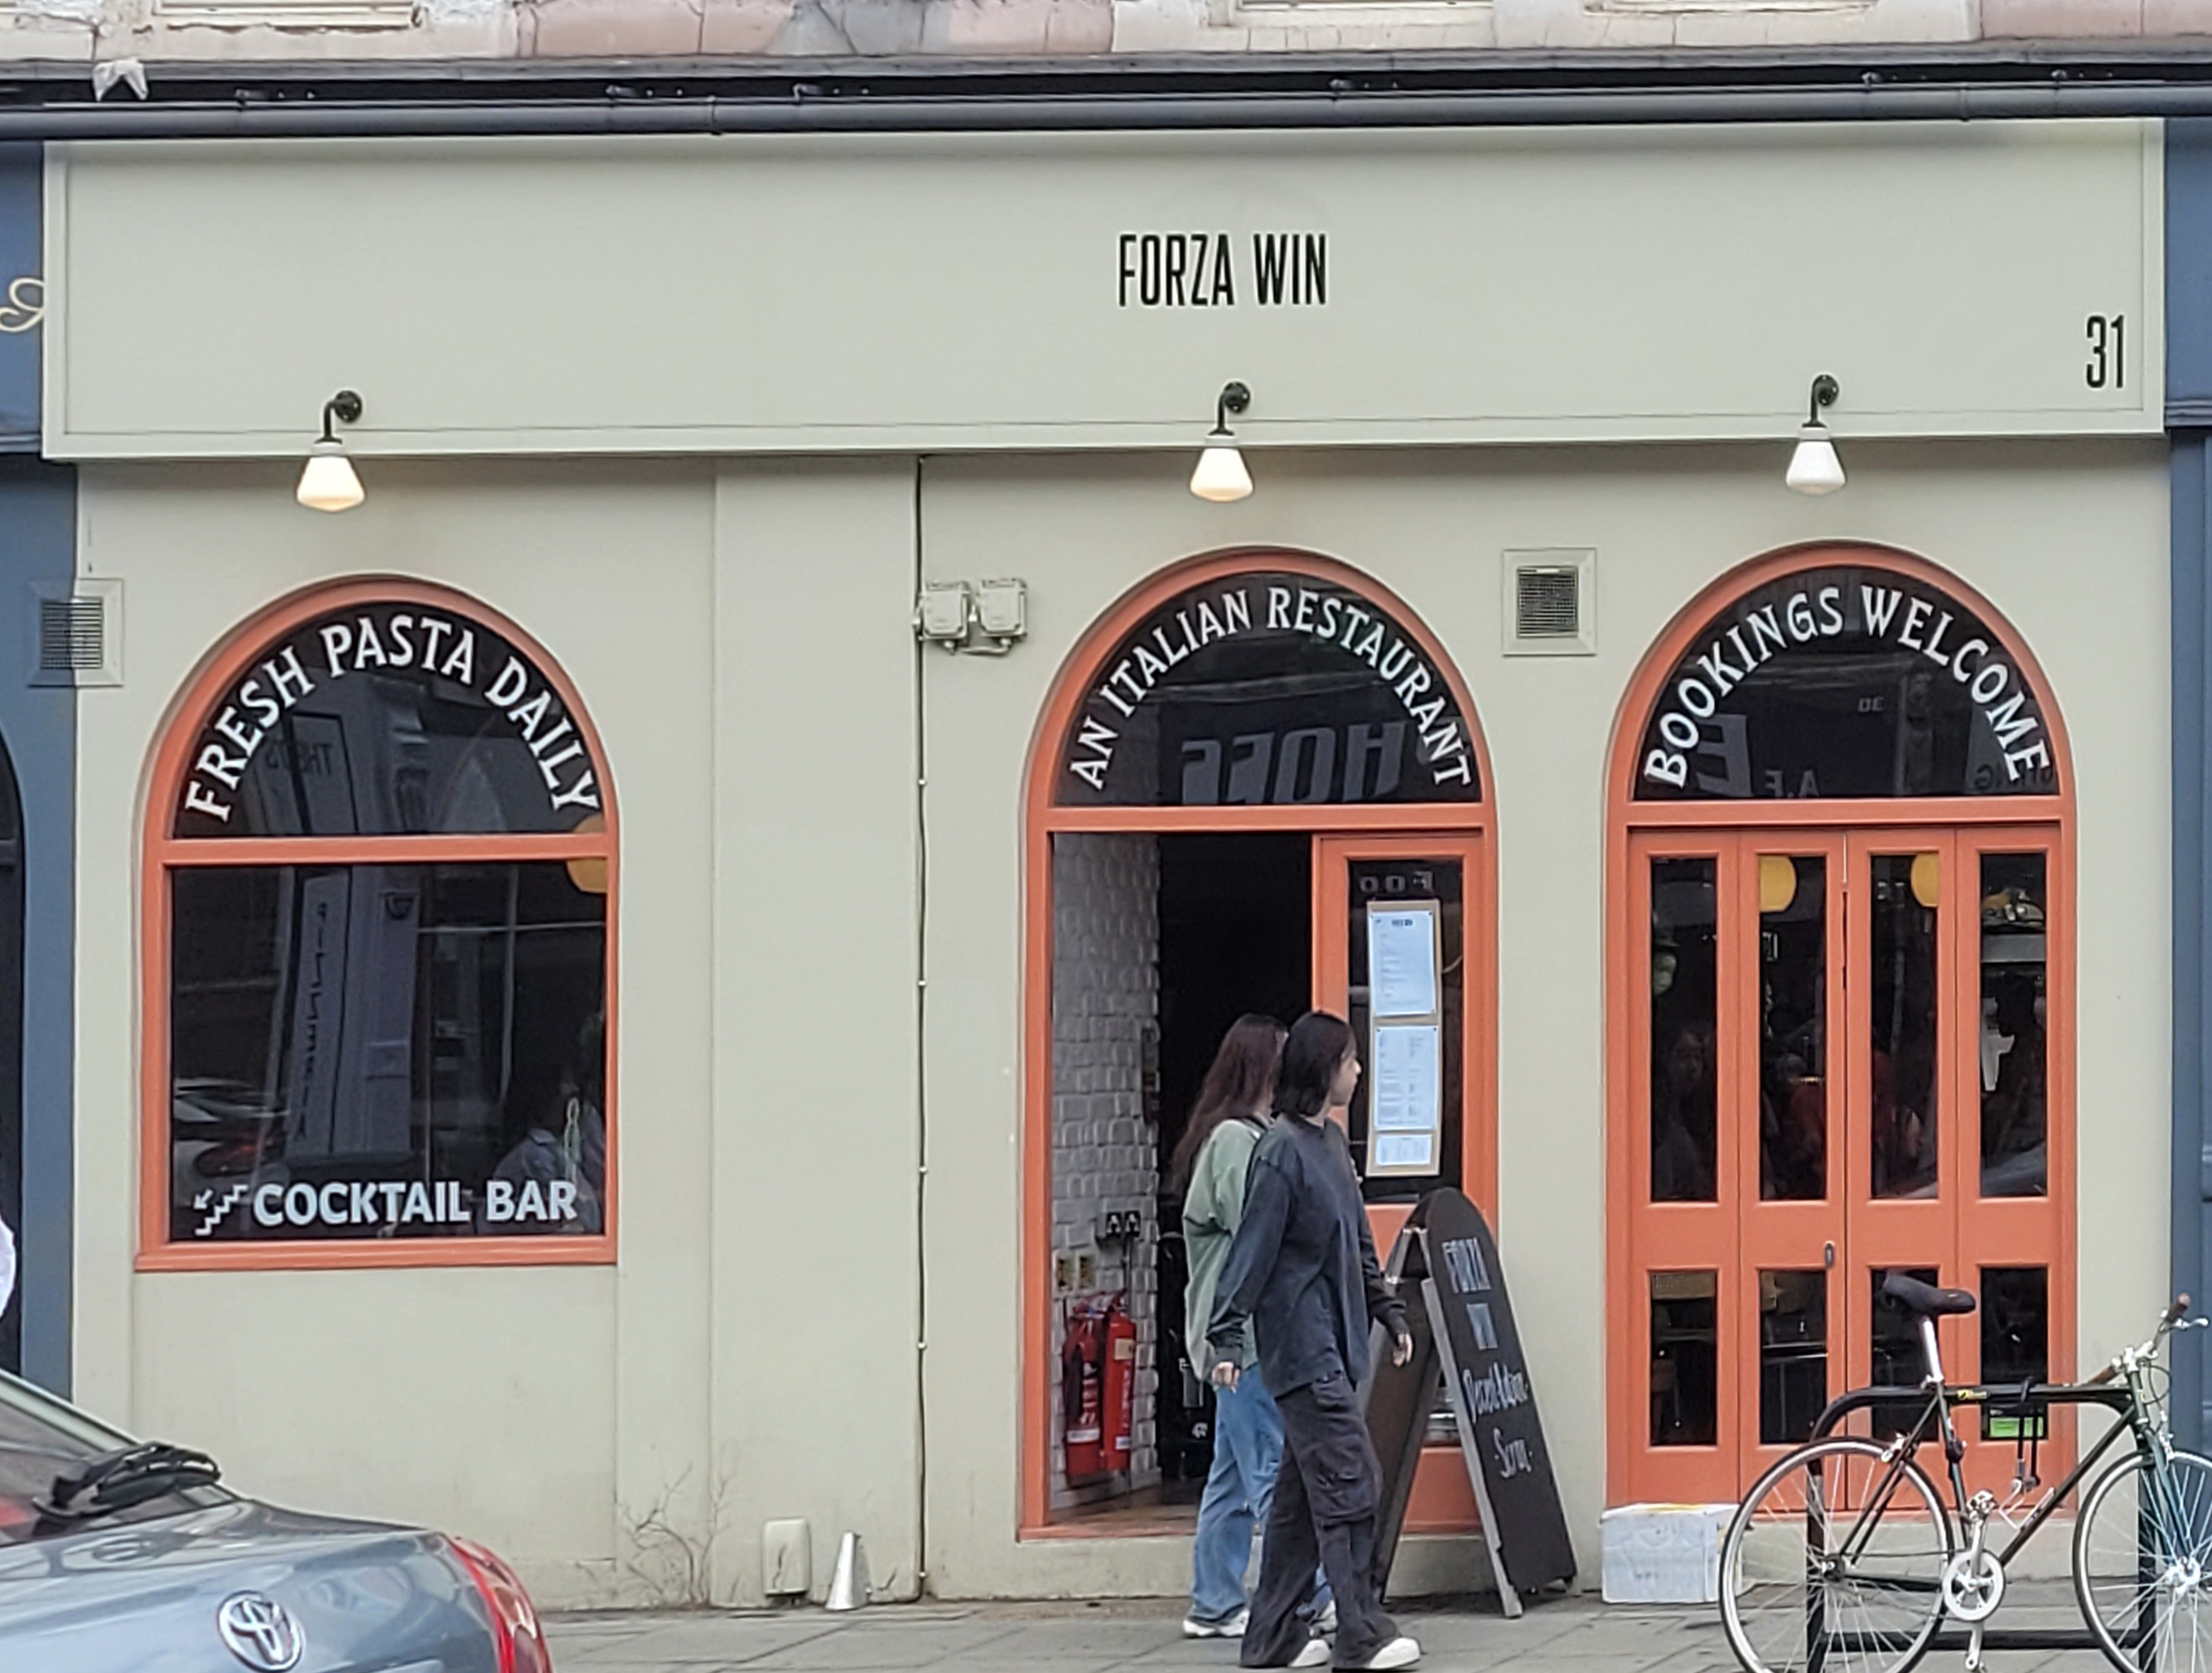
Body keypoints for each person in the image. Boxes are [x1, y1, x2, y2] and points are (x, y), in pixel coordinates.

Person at [1208, 1013, 1421, 1672]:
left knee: (1301, 1502)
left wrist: (1389, 1312)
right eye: (1350, 1059)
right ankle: (1360, 1632)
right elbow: (1251, 1249)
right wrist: (1225, 1335)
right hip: (1302, 1350)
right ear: (1324, 1068)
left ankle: (1272, 1636)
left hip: (1335, 1343)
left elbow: (1358, 1243)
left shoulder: (1328, 1143)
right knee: (1352, 1480)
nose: (1359, 1070)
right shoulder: (1280, 1152)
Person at [1176, 1014, 1320, 1640]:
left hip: (1231, 1336)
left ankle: (1213, 1600)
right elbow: (1261, 1228)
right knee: (1270, 1471)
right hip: (1245, 1338)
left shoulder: (1247, 1136)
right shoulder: (1238, 1142)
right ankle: (1310, 1596)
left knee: (1233, 1472)